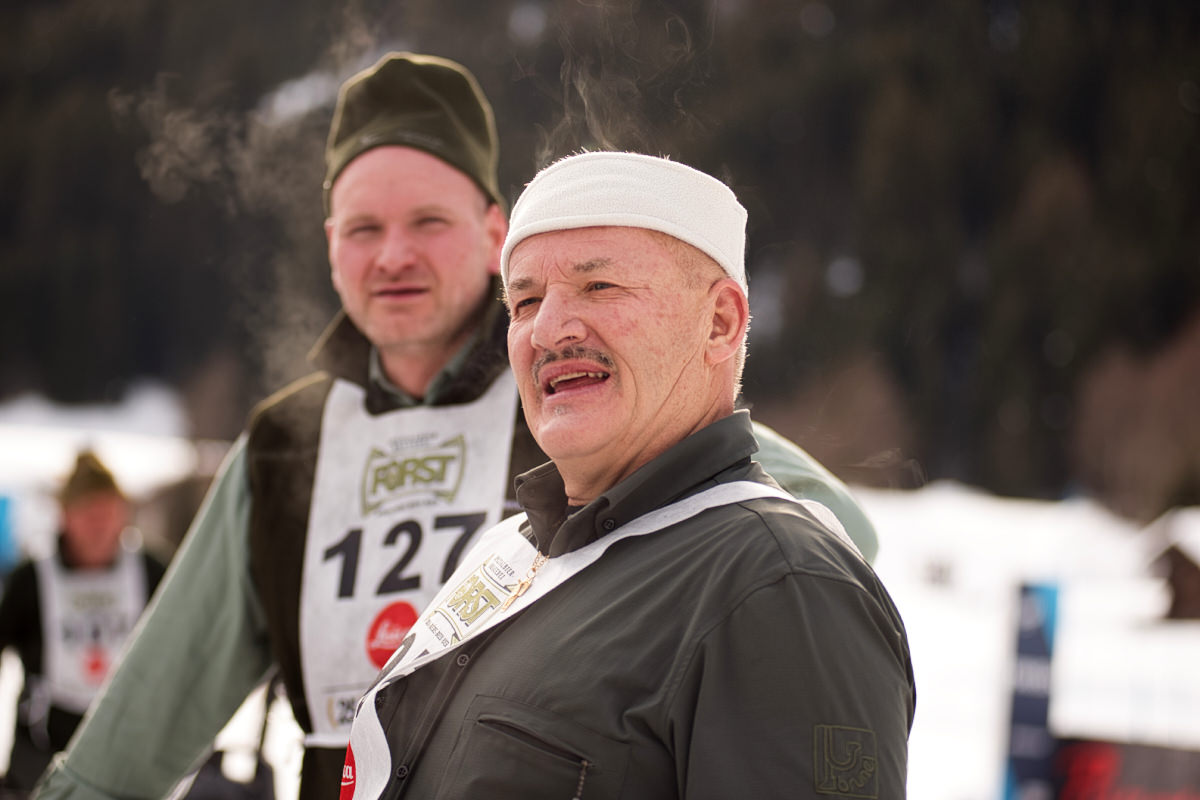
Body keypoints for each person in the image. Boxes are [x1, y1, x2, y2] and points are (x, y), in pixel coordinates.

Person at [36, 55, 877, 800]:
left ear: (490, 233)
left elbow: (800, 536)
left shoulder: (573, 401)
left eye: (428, 222)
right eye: (364, 229)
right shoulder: (289, 445)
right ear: (331, 246)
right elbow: (143, 722)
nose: (393, 255)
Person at [343, 151, 915, 800]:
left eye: (599, 287)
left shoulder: (778, 586)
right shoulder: (508, 550)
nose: (548, 330)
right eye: (525, 301)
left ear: (720, 322)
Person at [0, 451, 165, 797]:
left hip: (129, 746)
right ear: (64, 515)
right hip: (43, 747)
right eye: (88, 513)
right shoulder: (31, 579)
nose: (99, 526)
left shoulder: (152, 572)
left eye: (107, 513)